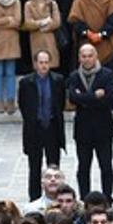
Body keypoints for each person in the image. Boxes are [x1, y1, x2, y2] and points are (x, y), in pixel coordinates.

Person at [67, 43, 113, 201]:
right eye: (84, 56)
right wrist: (95, 96)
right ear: (79, 58)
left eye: (90, 56)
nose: (87, 59)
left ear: (96, 57)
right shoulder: (75, 76)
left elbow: (110, 98)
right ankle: (84, 198)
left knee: (106, 166)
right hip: (83, 129)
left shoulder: (107, 74)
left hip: (103, 128)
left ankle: (107, 197)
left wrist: (84, 98)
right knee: (83, 167)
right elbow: (72, 98)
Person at [18, 50, 66, 199]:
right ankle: (35, 198)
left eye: (46, 62)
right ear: (35, 64)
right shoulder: (26, 82)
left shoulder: (58, 80)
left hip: (52, 127)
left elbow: (61, 103)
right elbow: (23, 104)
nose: (44, 66)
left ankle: (55, 197)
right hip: (35, 128)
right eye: (41, 62)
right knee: (34, 167)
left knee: (54, 167)